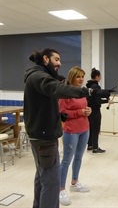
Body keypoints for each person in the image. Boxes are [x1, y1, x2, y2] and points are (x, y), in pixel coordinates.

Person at [23, 48, 101, 208]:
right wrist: (88, 90)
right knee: (51, 184)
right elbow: (58, 89)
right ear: (45, 59)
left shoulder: (40, 76)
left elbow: (47, 106)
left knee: (43, 178)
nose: (60, 63)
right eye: (56, 59)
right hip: (44, 137)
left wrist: (61, 117)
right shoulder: (39, 77)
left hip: (42, 134)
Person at [58, 66, 92, 206]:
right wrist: (80, 112)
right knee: (66, 160)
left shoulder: (82, 93)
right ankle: (60, 189)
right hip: (71, 130)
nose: (81, 79)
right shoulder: (64, 93)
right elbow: (62, 114)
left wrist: (88, 111)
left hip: (85, 128)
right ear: (72, 77)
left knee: (79, 157)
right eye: (78, 76)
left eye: (82, 76)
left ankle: (75, 182)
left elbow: (84, 108)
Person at [86, 68, 113, 153]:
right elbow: (98, 100)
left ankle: (90, 145)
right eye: (100, 76)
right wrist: (107, 101)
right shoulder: (96, 87)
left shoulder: (89, 86)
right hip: (95, 111)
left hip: (89, 110)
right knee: (96, 129)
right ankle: (95, 148)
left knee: (90, 128)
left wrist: (107, 93)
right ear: (97, 77)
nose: (101, 78)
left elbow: (98, 95)